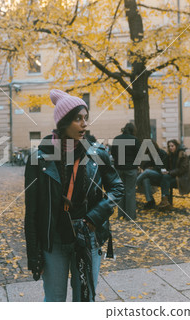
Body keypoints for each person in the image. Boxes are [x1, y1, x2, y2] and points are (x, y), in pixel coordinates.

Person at [24, 89, 124, 302]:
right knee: (55, 299)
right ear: (64, 122)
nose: (84, 124)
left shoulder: (97, 153)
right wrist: (33, 255)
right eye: (78, 118)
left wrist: (95, 217)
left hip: (88, 238)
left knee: (85, 300)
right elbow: (31, 212)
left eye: (85, 118)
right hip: (54, 241)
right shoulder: (39, 159)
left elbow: (117, 188)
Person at [110, 123, 141, 220]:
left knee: (121, 191)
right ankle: (130, 216)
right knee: (130, 192)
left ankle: (120, 214)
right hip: (131, 169)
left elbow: (113, 153)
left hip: (119, 168)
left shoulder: (117, 139)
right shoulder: (135, 140)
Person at [159, 139, 190, 210]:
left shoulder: (182, 154)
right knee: (165, 178)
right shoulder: (171, 155)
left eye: (172, 146)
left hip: (182, 178)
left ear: (176, 146)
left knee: (165, 179)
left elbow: (182, 169)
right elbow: (167, 166)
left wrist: (170, 172)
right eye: (169, 146)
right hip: (175, 176)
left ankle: (165, 200)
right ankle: (165, 201)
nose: (170, 148)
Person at [136, 140, 168, 209]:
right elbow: (146, 165)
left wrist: (153, 168)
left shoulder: (162, 153)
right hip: (154, 175)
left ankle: (134, 184)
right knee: (145, 179)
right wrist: (147, 167)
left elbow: (163, 167)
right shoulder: (151, 154)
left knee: (147, 171)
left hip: (162, 175)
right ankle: (150, 201)